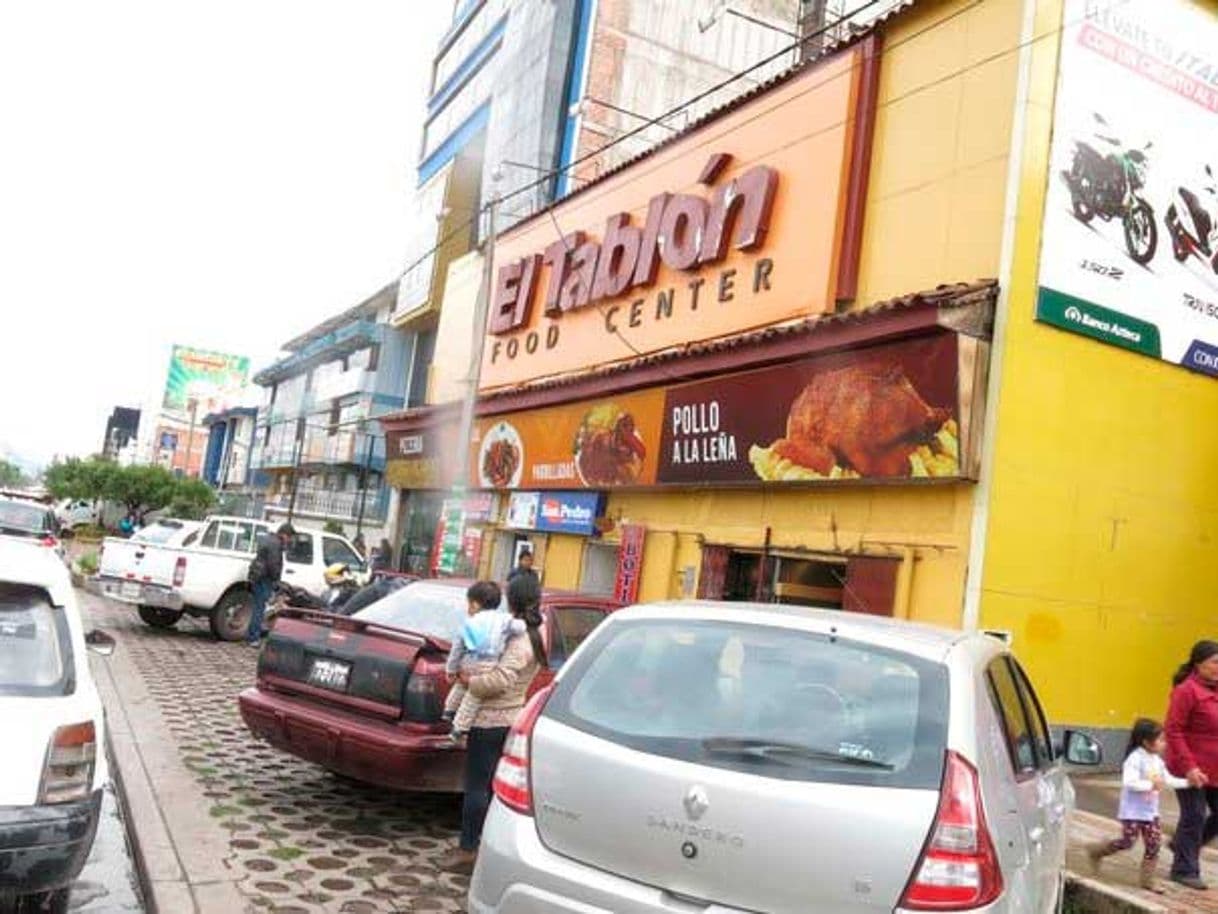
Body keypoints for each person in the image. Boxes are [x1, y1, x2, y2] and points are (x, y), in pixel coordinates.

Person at [441, 573, 547, 875]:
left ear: (511, 600)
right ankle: (480, 846)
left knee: (477, 787)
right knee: (491, 788)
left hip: (491, 721)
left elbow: (498, 681)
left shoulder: (521, 638)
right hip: (508, 719)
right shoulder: (534, 633)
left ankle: (468, 851)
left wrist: (466, 679)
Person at [1088, 718, 1188, 892]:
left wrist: (1189, 783)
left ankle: (1147, 881)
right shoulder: (1134, 759)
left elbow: (1168, 780)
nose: (1164, 744)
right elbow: (1129, 782)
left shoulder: (1157, 761)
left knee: (1154, 844)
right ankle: (1097, 851)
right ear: (1146, 742)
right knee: (1128, 842)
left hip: (1150, 813)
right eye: (1160, 740)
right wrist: (1150, 785)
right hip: (1133, 812)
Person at [1166, 639, 1218, 890]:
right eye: (1215, 662)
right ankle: (1184, 869)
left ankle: (1182, 845)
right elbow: (1173, 730)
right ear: (1199, 664)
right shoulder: (1186, 691)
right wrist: (1189, 767)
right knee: (1194, 814)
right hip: (1188, 766)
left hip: (1215, 769)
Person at [444, 581, 522, 744]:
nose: (468, 609)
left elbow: (457, 649)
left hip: (468, 660)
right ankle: (459, 728)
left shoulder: (469, 622)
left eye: (468, 605)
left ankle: (449, 709)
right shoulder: (503, 619)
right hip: (487, 664)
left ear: (475, 604)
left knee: (460, 685)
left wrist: (451, 669)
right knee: (474, 695)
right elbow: (520, 628)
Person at [247, 523, 293, 647]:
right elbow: (273, 565)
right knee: (259, 608)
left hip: (258, 576)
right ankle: (253, 637)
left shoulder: (269, 539)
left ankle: (253, 633)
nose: (289, 540)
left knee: (258, 606)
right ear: (284, 534)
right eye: (289, 537)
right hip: (264, 578)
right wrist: (276, 581)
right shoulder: (276, 544)